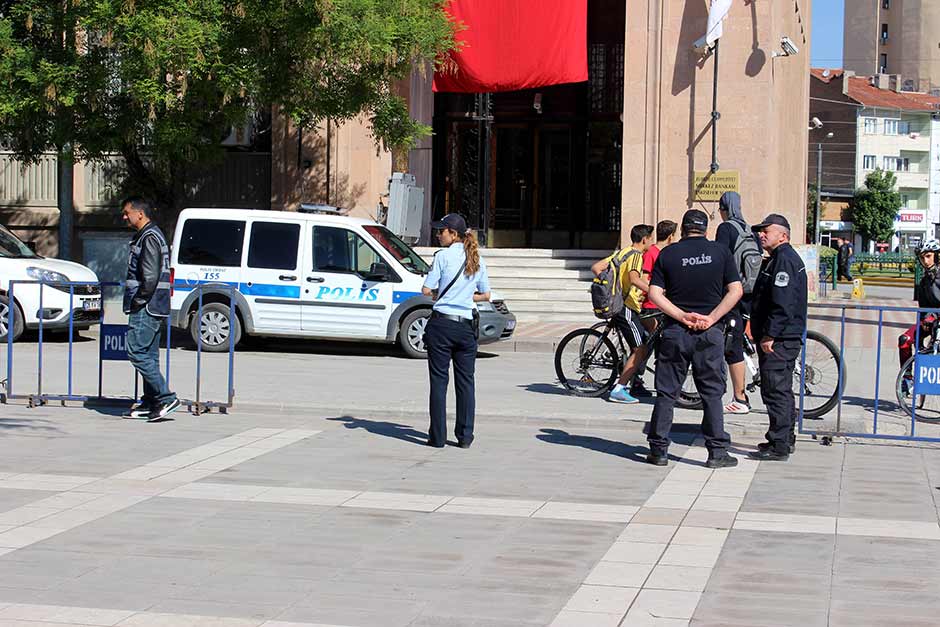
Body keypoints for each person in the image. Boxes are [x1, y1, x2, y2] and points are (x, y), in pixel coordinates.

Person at [646, 209, 743, 468]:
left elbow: (655, 293)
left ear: (683, 229)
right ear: (706, 228)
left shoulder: (668, 253)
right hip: (709, 333)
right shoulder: (721, 252)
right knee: (712, 393)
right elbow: (736, 290)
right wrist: (711, 317)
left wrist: (680, 315)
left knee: (667, 393)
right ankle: (716, 452)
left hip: (676, 332)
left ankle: (659, 451)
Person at [422, 213, 491, 448]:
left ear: (453, 234)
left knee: (439, 382)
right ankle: (465, 437)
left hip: (442, 324)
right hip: (465, 327)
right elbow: (486, 294)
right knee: (466, 383)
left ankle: (438, 437)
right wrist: (464, 296)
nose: (438, 235)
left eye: (441, 231)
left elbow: (426, 289)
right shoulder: (477, 259)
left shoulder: (442, 257)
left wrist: (441, 294)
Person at [748, 214, 808, 461]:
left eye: (766, 231)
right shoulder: (777, 259)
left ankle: (780, 445)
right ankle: (781, 437)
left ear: (783, 235)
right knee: (778, 388)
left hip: (781, 338)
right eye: (760, 231)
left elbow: (782, 303)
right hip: (781, 335)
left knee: (776, 389)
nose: (761, 234)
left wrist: (770, 334)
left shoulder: (784, 260)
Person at [121, 197, 180, 422]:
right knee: (149, 356)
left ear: (140, 214)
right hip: (155, 305)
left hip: (148, 306)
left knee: (136, 351)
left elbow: (150, 277)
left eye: (127, 213)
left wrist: (138, 301)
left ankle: (166, 398)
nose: (124, 217)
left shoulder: (149, 237)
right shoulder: (151, 235)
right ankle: (151, 401)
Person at [591, 224, 655, 404]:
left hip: (622, 305)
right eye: (651, 238)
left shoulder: (622, 252)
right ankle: (619, 389)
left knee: (649, 333)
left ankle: (632, 376)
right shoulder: (636, 255)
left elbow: (596, 267)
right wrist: (654, 292)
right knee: (640, 349)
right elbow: (635, 279)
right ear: (644, 239)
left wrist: (611, 288)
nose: (652, 242)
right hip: (625, 308)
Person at [715, 192, 758, 415]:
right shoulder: (749, 229)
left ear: (724, 208)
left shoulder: (726, 229)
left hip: (731, 293)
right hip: (749, 294)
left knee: (732, 347)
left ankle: (740, 398)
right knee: (738, 340)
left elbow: (719, 259)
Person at [898, 239, 940, 387]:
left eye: (928, 256)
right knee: (904, 339)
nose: (925, 261)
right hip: (931, 322)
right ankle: (907, 380)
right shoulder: (923, 281)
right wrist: (926, 320)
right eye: (922, 258)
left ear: (936, 255)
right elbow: (923, 309)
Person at [640, 220, 679, 326]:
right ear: (671, 236)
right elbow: (644, 278)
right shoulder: (651, 253)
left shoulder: (667, 252)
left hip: (663, 304)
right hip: (652, 306)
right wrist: (659, 292)